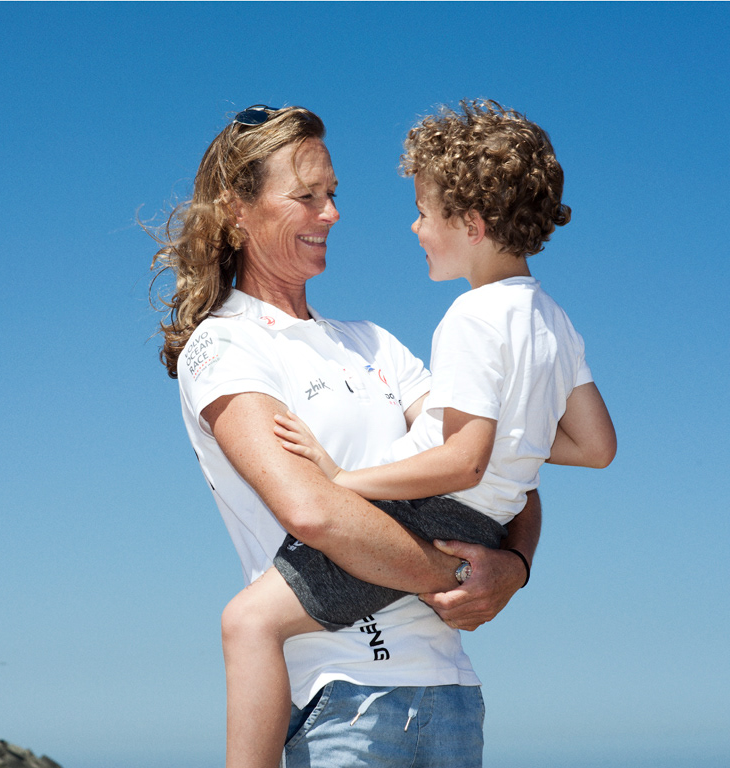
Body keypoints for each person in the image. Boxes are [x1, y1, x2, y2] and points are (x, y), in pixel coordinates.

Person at [218, 99, 618, 768]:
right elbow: (596, 447)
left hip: (427, 514)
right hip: (491, 525)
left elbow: (460, 461)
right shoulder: (554, 320)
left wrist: (345, 480)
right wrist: (513, 439)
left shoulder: (469, 317)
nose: (414, 227)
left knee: (248, 623)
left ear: (472, 223)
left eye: (425, 213)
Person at [149, 104, 541, 768]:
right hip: (342, 704)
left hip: (452, 697)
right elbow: (313, 511)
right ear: (238, 210)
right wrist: (469, 573)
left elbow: (502, 470)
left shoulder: (378, 344)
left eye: (331, 195)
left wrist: (519, 567)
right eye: (306, 196)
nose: (330, 213)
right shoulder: (224, 347)